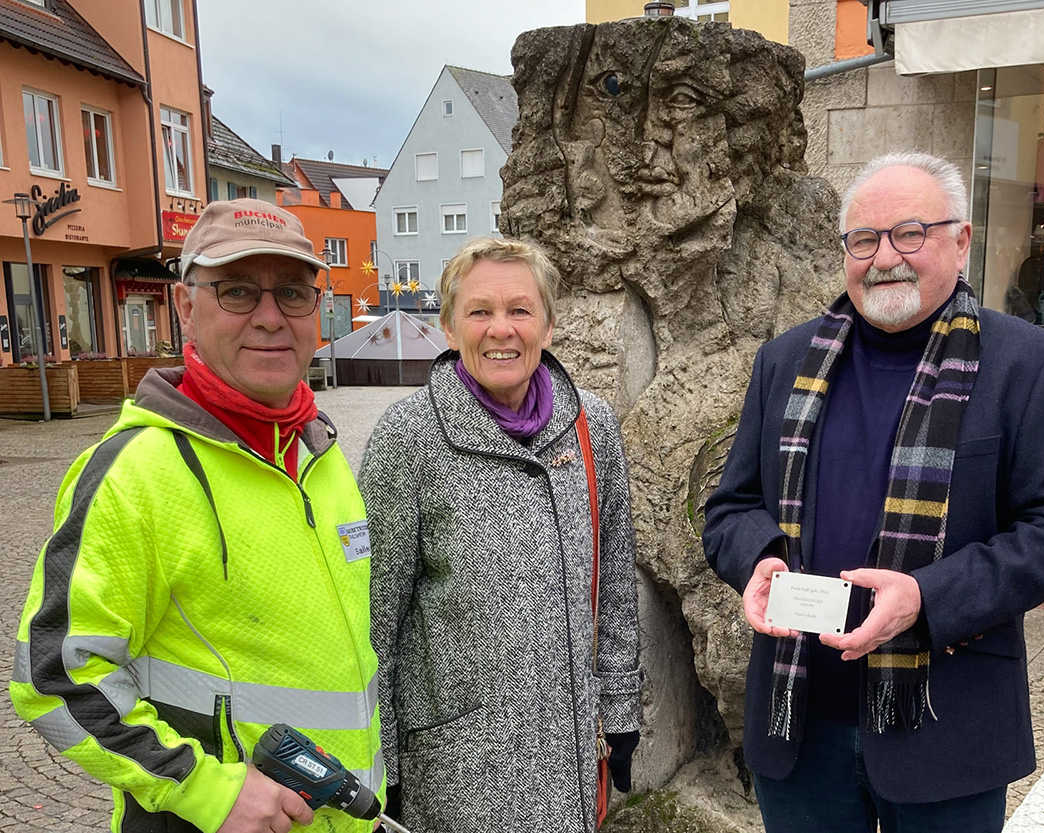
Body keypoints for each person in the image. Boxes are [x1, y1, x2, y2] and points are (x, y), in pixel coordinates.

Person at [703, 152, 1044, 833]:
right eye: (864, 239)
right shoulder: (784, 362)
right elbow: (731, 508)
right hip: (799, 725)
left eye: (909, 233)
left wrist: (926, 598)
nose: (885, 257)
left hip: (945, 721)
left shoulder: (1026, 364)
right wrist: (758, 558)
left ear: (961, 240)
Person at [10, 199, 382, 833]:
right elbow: (53, 677)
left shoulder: (318, 454)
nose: (271, 318)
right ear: (186, 306)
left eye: (292, 293)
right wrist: (205, 790)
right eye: (237, 291)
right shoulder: (137, 471)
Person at [360, 237, 642, 833]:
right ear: (447, 325)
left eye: (520, 310)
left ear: (548, 322)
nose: (501, 330)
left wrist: (619, 709)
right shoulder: (408, 438)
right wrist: (379, 763)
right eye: (479, 311)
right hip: (459, 769)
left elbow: (613, 581)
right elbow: (373, 621)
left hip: (571, 753)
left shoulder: (590, 425)